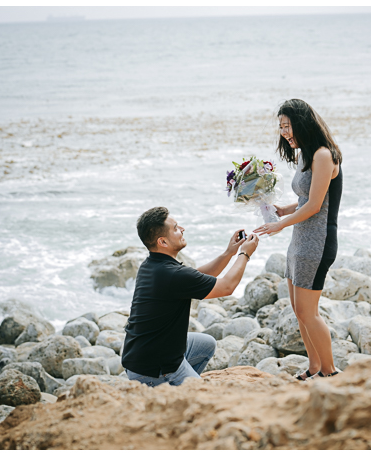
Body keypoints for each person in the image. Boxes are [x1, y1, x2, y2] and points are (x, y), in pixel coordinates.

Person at [121, 206, 259, 387]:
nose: (182, 229)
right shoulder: (171, 274)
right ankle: (173, 385)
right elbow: (226, 287)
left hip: (142, 355)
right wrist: (245, 254)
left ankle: (180, 383)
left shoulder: (153, 264)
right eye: (176, 228)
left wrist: (229, 253)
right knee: (206, 400)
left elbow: (197, 277)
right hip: (153, 368)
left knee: (206, 343)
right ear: (163, 242)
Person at [254, 99, 342, 380]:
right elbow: (306, 199)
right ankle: (314, 368)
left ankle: (330, 373)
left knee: (308, 311)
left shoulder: (323, 155)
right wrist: (284, 210)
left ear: (302, 124)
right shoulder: (304, 154)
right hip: (300, 239)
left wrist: (280, 224)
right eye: (280, 127)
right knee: (298, 310)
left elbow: (316, 205)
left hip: (318, 241)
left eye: (287, 126)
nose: (283, 132)